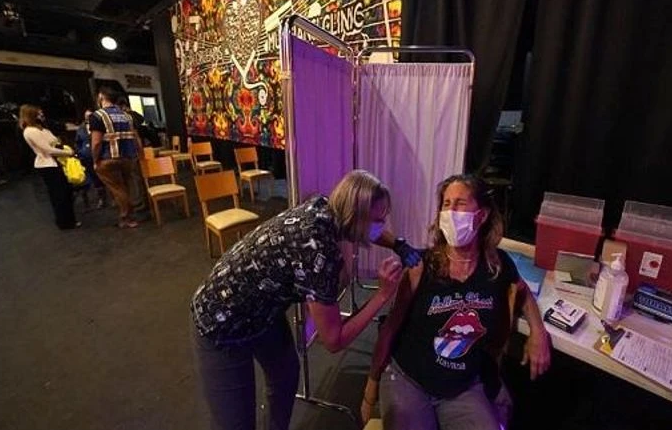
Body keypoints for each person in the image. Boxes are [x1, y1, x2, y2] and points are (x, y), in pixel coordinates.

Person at [191, 169, 423, 430]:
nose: (382, 226)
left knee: (286, 376)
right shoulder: (317, 252)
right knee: (235, 423)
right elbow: (333, 340)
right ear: (355, 218)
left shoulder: (328, 207)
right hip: (222, 320)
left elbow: (365, 226)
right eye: (377, 220)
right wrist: (382, 295)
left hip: (263, 310)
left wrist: (398, 244)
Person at [361, 174, 552, 430]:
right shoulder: (421, 265)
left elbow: (523, 293)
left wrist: (538, 332)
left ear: (481, 215)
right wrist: (371, 387)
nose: (450, 212)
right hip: (410, 378)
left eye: (460, 203)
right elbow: (390, 328)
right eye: (446, 204)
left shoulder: (498, 265)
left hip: (463, 385)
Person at [20, 104, 80, 230]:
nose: (42, 115)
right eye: (39, 113)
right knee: (59, 194)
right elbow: (47, 149)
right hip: (48, 165)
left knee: (66, 192)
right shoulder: (30, 131)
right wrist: (69, 153)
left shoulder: (43, 129)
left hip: (57, 162)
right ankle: (64, 222)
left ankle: (70, 219)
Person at [90, 87, 142, 228]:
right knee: (126, 186)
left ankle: (127, 218)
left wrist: (95, 161)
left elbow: (96, 143)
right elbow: (136, 138)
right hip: (128, 157)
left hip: (109, 158)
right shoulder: (127, 115)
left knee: (117, 189)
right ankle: (129, 215)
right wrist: (140, 154)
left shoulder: (97, 116)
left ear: (101, 97)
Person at [75, 109, 106, 210]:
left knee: (101, 177)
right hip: (86, 157)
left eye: (90, 115)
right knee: (90, 179)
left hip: (99, 155)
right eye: (86, 116)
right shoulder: (81, 128)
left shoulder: (99, 126)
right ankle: (93, 201)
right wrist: (80, 152)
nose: (88, 117)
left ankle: (106, 198)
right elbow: (78, 142)